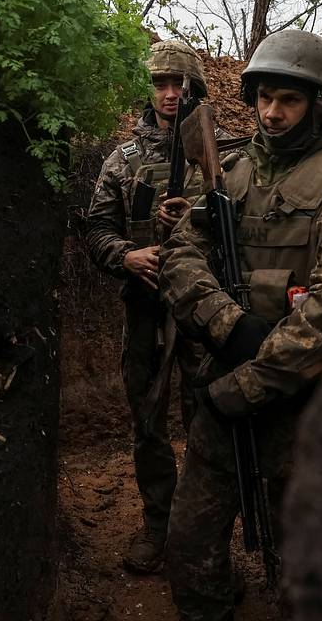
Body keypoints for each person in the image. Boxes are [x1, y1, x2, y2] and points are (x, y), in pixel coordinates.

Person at [159, 29, 322, 620]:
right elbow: (182, 255)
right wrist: (227, 324)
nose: (272, 112)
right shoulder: (228, 172)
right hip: (227, 375)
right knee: (189, 544)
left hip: (305, 401)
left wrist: (253, 380)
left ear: (320, 103)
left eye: (288, 99)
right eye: (264, 97)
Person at [84, 39, 214, 574]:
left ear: (194, 88)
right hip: (144, 310)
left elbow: (246, 233)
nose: (168, 93)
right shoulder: (125, 158)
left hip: (204, 315)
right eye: (160, 83)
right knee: (148, 423)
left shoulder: (221, 157)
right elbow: (95, 229)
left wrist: (198, 217)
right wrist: (127, 254)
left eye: (178, 83)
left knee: (208, 425)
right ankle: (158, 525)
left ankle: (203, 543)